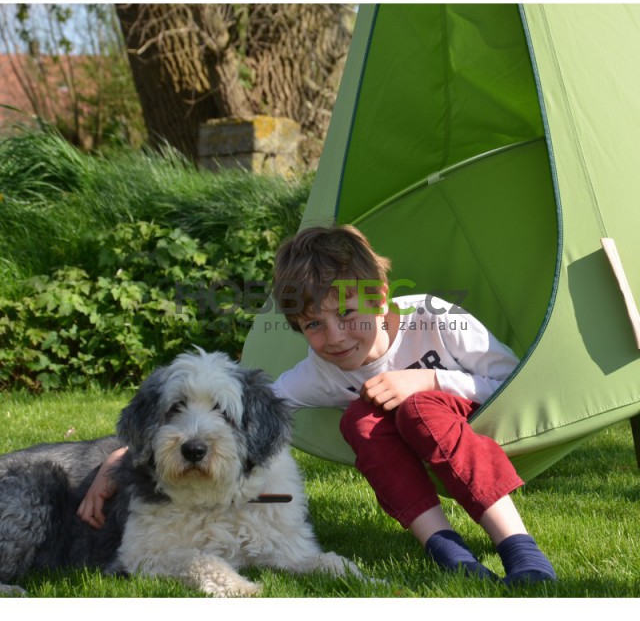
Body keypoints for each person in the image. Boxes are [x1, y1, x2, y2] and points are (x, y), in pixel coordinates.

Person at [78, 223, 556, 586]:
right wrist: (121, 459)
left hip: (472, 425)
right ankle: (445, 547)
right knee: (362, 421)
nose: (335, 337)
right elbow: (243, 415)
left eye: (347, 314)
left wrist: (427, 378)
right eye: (313, 326)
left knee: (417, 409)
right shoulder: (319, 371)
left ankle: (517, 545)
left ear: (381, 296)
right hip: (404, 449)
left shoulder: (434, 317)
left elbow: (513, 382)